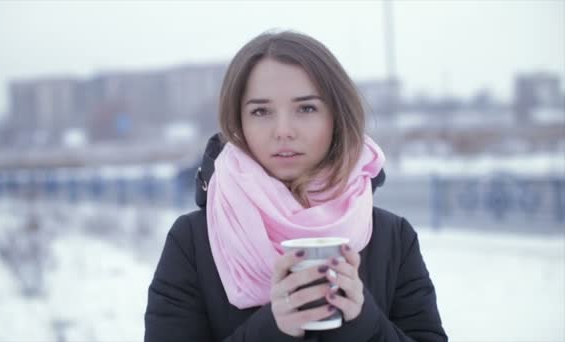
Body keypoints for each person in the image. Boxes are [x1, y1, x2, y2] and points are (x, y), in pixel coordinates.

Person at [145, 30, 447, 341]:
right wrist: (272, 330)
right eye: (261, 111)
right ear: (238, 124)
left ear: (337, 118)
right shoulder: (194, 242)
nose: (283, 130)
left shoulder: (392, 239)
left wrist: (364, 323)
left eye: (306, 108)